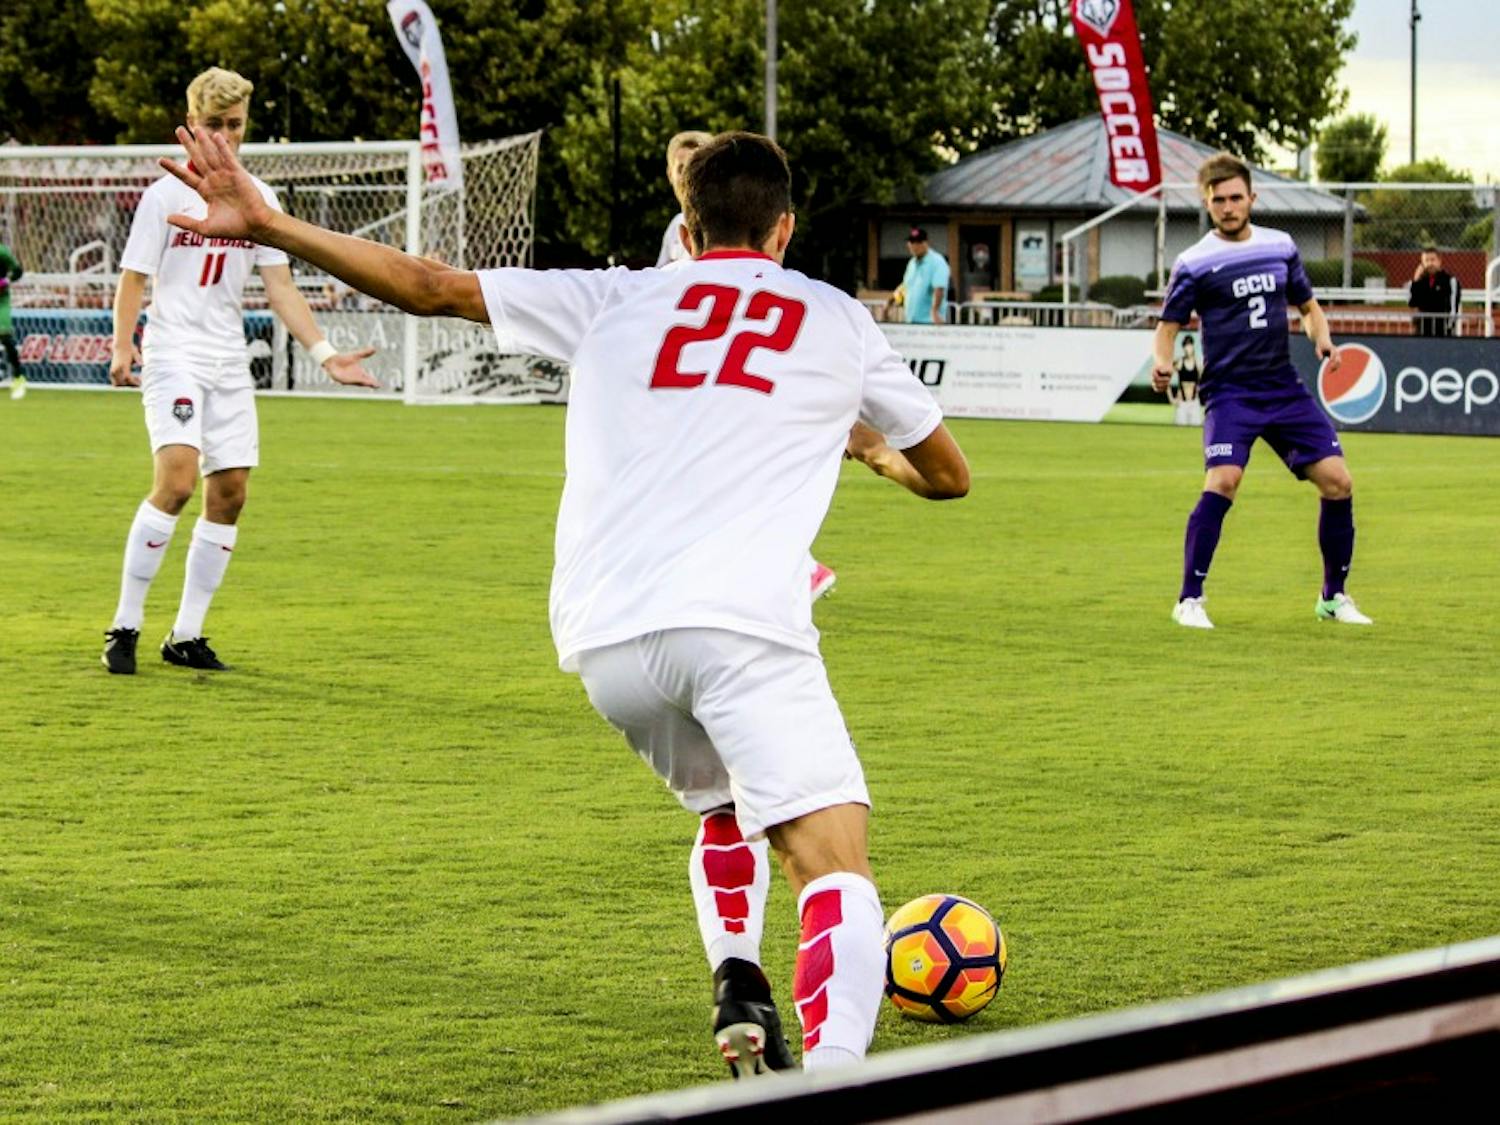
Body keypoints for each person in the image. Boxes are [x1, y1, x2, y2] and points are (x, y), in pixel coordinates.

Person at [160, 124, 970, 1074]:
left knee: (723, 808)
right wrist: (867, 446)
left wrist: (270, 222)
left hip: (607, 640)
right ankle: (832, 1079)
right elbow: (947, 473)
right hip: (740, 623)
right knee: (832, 860)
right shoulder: (834, 316)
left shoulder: (612, 296)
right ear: (784, 229)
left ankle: (738, 979)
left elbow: (430, 284)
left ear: (690, 224)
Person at [100, 67, 377, 676]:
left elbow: (280, 289)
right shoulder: (165, 195)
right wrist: (124, 347)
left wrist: (326, 354)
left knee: (230, 495)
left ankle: (186, 635)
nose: (223, 136)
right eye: (213, 125)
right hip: (174, 352)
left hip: (229, 362)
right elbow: (134, 278)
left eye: (234, 126)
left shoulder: (261, 200)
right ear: (191, 126)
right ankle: (124, 624)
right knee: (174, 483)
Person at [1153, 153, 1372, 630]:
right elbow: (1168, 326)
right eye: (1219, 200)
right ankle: (1189, 599)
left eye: (1236, 198)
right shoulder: (1193, 262)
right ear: (1207, 204)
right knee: (1224, 480)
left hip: (1283, 387)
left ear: (1253, 197)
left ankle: (1333, 598)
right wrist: (1163, 361)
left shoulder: (1281, 246)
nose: (1229, 207)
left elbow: (1308, 306)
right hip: (1230, 392)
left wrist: (1323, 338)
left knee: (1339, 482)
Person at [657, 128, 837, 600]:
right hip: (700, 358)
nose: (681, 173)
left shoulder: (717, 228)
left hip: (723, 359)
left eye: (688, 164)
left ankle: (797, 566)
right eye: (676, 166)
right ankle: (792, 567)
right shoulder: (680, 227)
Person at [656, 130, 714, 268]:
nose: (688, 177)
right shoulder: (675, 225)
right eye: (681, 169)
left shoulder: (730, 225)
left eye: (695, 168)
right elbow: (658, 278)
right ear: (670, 174)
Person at [886, 227, 949, 325]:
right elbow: (905, 286)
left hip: (930, 323)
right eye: (911, 242)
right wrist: (890, 302)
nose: (914, 245)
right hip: (911, 321)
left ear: (926, 243)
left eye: (918, 242)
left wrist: (935, 310)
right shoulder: (912, 263)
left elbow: (939, 288)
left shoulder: (937, 261)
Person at [1407, 246, 1461, 338]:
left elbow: (1453, 307)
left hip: (1442, 331)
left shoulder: (1450, 280)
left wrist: (1449, 327)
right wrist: (1415, 281)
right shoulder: (1419, 282)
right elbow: (1412, 303)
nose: (1430, 263)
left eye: (1433, 260)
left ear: (1439, 261)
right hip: (1421, 330)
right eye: (1426, 260)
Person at [0, 239, 23, 398]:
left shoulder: (2, 252)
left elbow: (18, 271)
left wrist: (6, 280)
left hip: (1, 300)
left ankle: (18, 378)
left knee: (5, 336)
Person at [1167, 333, 1202, 426]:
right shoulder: (1179, 363)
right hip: (1182, 402)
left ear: (1193, 347)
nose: (1187, 349)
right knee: (1180, 428)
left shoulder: (1198, 364)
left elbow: (1204, 381)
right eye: (1185, 346)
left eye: (1189, 346)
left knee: (1196, 429)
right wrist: (1171, 398)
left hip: (1194, 402)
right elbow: (1166, 377)